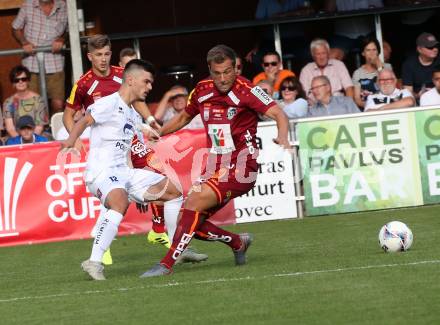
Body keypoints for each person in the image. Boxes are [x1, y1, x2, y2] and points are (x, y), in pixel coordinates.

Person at [140, 44, 291, 277]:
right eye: (217, 73)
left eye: (227, 71)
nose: (222, 78)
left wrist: (282, 136)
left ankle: (166, 264)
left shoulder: (247, 90)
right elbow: (183, 117)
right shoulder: (201, 90)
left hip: (242, 166)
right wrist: (160, 133)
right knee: (188, 221)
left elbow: (278, 113)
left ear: (236, 68)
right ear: (209, 70)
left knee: (193, 204)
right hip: (215, 166)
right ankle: (237, 242)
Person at [61, 60, 185, 281]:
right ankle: (94, 261)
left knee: (173, 191)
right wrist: (71, 141)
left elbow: (134, 138)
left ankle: (177, 249)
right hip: (100, 172)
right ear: (130, 80)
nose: (149, 87)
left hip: (123, 172)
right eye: (146, 82)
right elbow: (83, 121)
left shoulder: (131, 113)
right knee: (119, 203)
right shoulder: (108, 103)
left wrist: (150, 132)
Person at [12, 0, 68, 115]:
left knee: (58, 105)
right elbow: (15, 28)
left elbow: (71, 28)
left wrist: (62, 39)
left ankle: (55, 131)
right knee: (32, 105)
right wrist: (24, 42)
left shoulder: (63, 6)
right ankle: (36, 132)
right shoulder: (28, 5)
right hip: (31, 63)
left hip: (55, 62)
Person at [300, 38, 354, 103]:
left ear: (328, 53)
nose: (321, 57)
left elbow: (349, 88)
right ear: (313, 55)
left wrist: (349, 106)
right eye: (318, 54)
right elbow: (303, 95)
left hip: (339, 105)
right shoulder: (306, 70)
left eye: (323, 53)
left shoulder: (339, 65)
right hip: (315, 107)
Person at [3, 65, 48, 138]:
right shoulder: (8, 102)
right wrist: (20, 142)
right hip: (16, 139)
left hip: (37, 137)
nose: (20, 82)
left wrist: (31, 141)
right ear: (13, 83)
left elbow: (39, 126)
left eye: (23, 79)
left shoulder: (38, 100)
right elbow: (10, 128)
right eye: (16, 80)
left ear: (28, 80)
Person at [352, 37, 392, 109]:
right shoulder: (358, 73)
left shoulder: (387, 67)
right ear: (363, 53)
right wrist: (371, 106)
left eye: (374, 50)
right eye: (368, 50)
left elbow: (388, 89)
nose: (372, 53)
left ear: (378, 52)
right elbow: (357, 99)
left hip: (386, 107)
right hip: (368, 109)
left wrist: (379, 67)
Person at [402, 32, 440, 101]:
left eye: (436, 46)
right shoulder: (409, 64)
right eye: (430, 47)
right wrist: (418, 95)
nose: (435, 49)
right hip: (418, 102)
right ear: (419, 49)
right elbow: (408, 92)